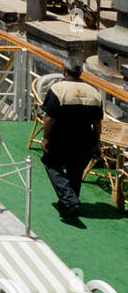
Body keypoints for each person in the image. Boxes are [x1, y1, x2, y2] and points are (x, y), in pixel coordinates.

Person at [42, 57, 103, 219]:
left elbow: (49, 118)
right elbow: (97, 122)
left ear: (64, 70)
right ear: (81, 72)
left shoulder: (58, 89)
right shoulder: (94, 92)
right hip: (85, 139)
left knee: (51, 163)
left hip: (60, 137)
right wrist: (97, 143)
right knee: (75, 171)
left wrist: (45, 137)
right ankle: (68, 204)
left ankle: (69, 200)